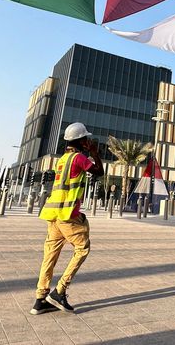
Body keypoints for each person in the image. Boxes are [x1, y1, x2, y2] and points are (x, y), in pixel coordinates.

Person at [30, 122, 104, 315]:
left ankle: (40, 299)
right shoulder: (78, 158)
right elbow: (99, 172)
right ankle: (60, 290)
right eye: (86, 138)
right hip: (67, 215)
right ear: (80, 141)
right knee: (82, 249)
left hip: (53, 214)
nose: (88, 141)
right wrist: (95, 152)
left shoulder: (62, 159)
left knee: (50, 256)